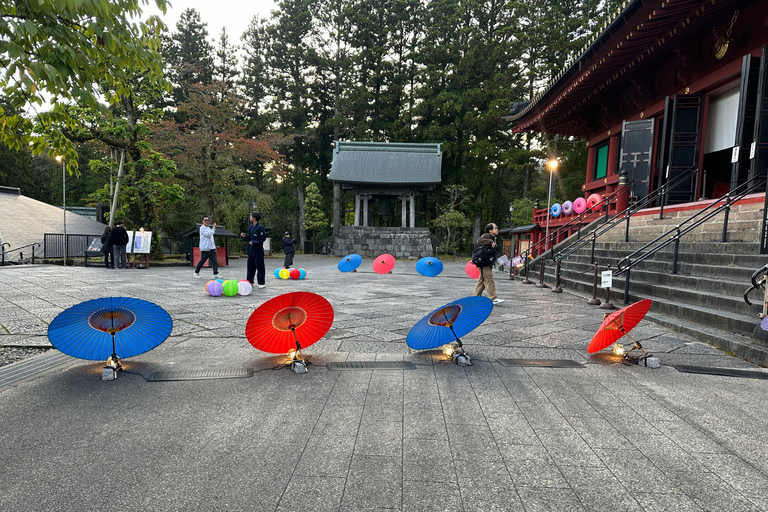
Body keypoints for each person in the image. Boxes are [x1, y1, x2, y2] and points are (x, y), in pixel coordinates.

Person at [474, 223, 504, 304]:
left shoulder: (493, 238)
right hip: (483, 262)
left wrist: (501, 260)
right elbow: (479, 241)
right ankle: (493, 298)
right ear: (490, 230)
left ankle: (475, 297)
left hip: (487, 262)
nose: (497, 229)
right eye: (495, 228)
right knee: (489, 280)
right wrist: (490, 242)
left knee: (482, 281)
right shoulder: (487, 236)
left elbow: (495, 252)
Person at [241, 212, 266, 287]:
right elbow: (250, 237)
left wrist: (254, 242)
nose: (250, 217)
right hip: (250, 250)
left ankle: (261, 282)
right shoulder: (251, 227)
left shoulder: (260, 227)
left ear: (254, 218)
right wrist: (245, 236)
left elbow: (263, 238)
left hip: (258, 250)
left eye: (251, 216)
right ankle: (250, 280)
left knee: (260, 266)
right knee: (250, 266)